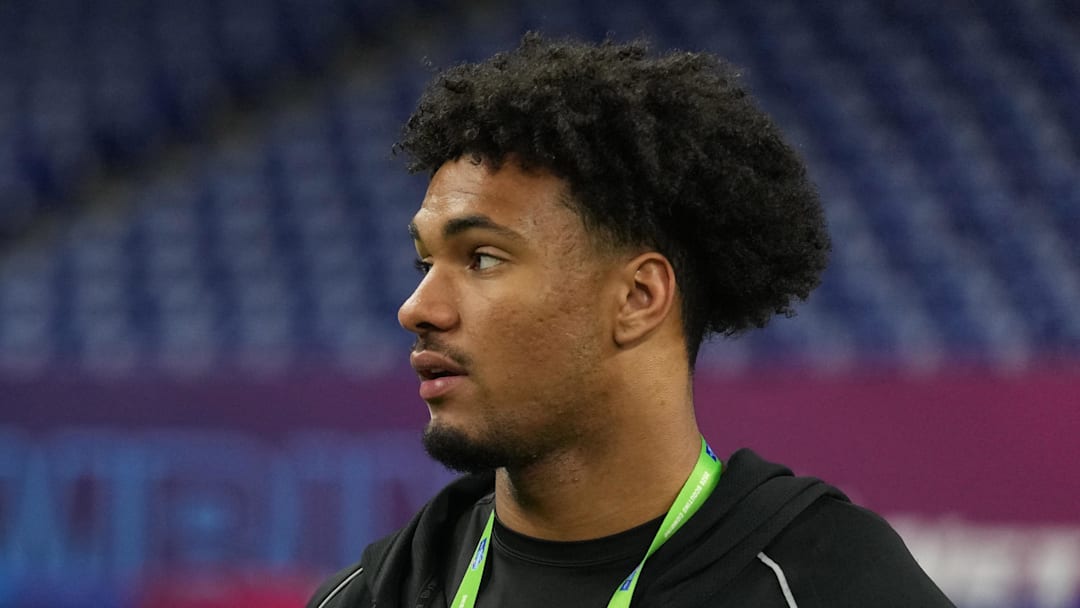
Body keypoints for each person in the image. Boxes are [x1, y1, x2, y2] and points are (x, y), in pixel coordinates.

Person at [308, 33, 954, 608]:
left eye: (481, 258)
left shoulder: (822, 583)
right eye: (425, 261)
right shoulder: (372, 593)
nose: (417, 308)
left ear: (639, 297)